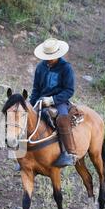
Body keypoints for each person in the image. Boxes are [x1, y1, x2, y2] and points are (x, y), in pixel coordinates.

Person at [29, 38, 77, 168]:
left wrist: (52, 100)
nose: (49, 59)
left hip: (59, 101)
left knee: (62, 119)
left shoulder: (66, 68)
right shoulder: (40, 68)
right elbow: (36, 89)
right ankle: (22, 154)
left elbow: (69, 90)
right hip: (41, 100)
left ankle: (69, 153)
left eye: (52, 56)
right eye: (47, 56)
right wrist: (30, 104)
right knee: (26, 117)